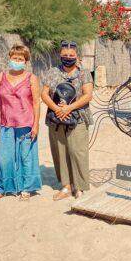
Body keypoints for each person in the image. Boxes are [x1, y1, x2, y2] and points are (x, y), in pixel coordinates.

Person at [0, 44, 42, 201]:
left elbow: (36, 103)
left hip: (26, 124)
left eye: (21, 59)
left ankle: (26, 189)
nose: (17, 61)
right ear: (9, 58)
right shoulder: (1, 76)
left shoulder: (31, 78)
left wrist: (36, 125)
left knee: (27, 157)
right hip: (6, 124)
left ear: (26, 61)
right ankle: (3, 188)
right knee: (5, 158)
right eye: (14, 58)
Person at [41, 40, 93, 201]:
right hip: (56, 118)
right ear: (60, 55)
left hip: (78, 117)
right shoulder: (52, 72)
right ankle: (66, 186)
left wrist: (68, 108)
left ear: (77, 55)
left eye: (71, 55)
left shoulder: (84, 73)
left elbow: (88, 95)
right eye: (65, 55)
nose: (68, 57)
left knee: (78, 152)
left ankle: (79, 187)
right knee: (60, 152)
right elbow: (44, 94)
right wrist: (58, 109)